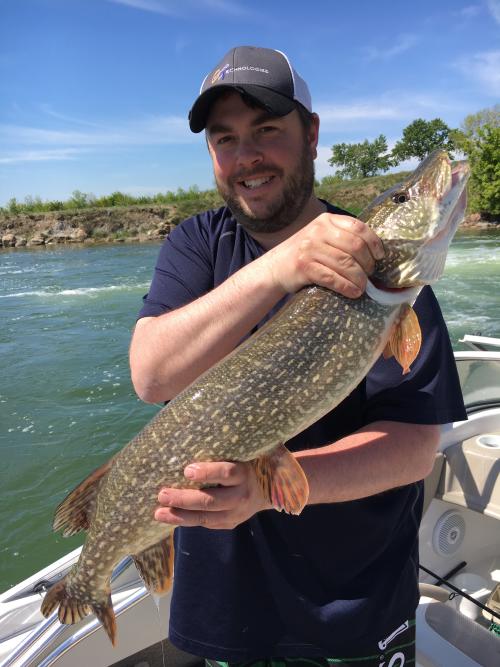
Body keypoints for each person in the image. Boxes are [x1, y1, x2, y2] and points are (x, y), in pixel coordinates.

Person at [130, 46, 466, 667]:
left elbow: (416, 445)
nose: (246, 156)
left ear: (311, 135)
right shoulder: (196, 244)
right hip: (221, 606)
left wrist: (268, 489)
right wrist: (278, 269)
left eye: (266, 131)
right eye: (225, 139)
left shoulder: (386, 273)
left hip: (353, 604)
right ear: (210, 155)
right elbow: (150, 375)